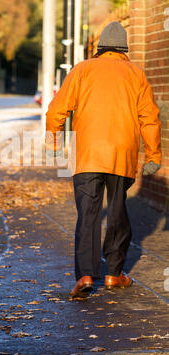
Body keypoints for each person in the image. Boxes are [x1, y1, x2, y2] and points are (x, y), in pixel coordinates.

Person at [45, 21, 162, 299]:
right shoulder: (135, 73)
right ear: (124, 48)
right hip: (121, 154)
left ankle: (85, 274)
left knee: (88, 214)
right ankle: (114, 274)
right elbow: (150, 118)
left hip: (87, 154)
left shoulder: (82, 70)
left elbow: (56, 109)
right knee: (118, 212)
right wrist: (154, 155)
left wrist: (53, 143)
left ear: (99, 48)